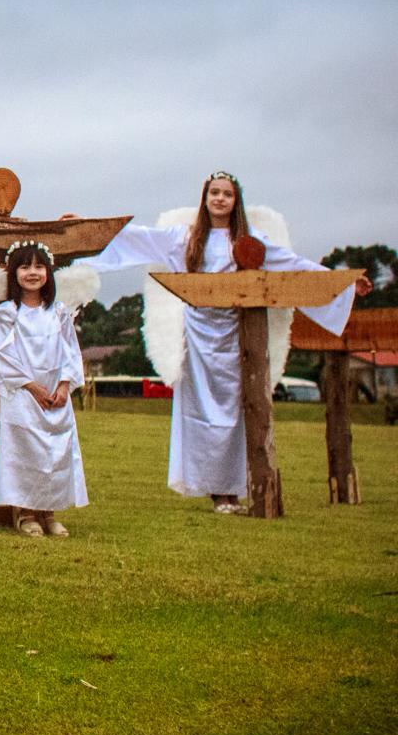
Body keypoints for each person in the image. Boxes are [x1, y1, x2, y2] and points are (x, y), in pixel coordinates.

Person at [84, 171, 368, 512]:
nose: (220, 199)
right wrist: (85, 230)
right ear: (205, 198)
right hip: (199, 342)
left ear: (236, 202)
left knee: (238, 413)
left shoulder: (250, 241)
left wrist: (344, 283)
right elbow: (137, 239)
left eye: (227, 194)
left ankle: (235, 488)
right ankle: (216, 491)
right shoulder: (185, 239)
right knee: (200, 414)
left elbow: (293, 265)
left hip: (237, 339)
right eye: (214, 193)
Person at [0, 241, 87, 536]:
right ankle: (27, 512)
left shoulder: (58, 312)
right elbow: (3, 353)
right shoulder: (8, 313)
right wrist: (32, 387)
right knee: (26, 451)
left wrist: (64, 385)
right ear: (14, 273)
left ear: (48, 272)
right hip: (23, 394)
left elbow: (71, 350)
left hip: (55, 395)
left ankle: (49, 511)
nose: (32, 273)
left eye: (39, 266)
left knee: (54, 451)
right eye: (25, 266)